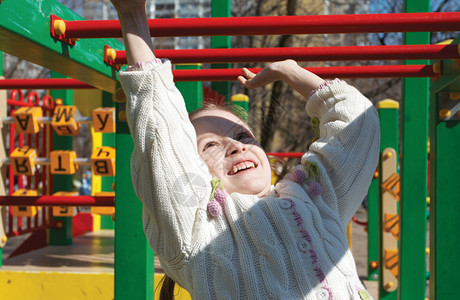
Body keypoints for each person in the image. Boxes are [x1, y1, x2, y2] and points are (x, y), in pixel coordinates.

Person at [110, 0, 380, 299]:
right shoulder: (198, 230)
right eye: (210, 144)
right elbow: (161, 137)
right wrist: (132, 14)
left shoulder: (316, 199)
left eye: (243, 135)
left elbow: (357, 122)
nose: (235, 145)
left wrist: (290, 71)